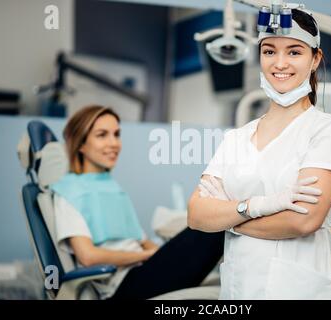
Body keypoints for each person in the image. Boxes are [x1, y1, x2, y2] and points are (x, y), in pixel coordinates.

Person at [188, 9, 331, 300]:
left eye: (294, 52)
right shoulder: (236, 138)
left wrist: (228, 218)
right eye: (269, 51)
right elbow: (197, 215)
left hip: (295, 289)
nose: (280, 63)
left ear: (315, 59)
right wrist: (259, 205)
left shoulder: (326, 129)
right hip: (239, 289)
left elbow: (303, 221)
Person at [51, 105, 224, 300]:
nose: (113, 143)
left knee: (216, 223)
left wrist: (161, 254)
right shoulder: (68, 193)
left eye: (116, 134)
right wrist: (146, 256)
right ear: (80, 144)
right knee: (215, 223)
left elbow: (141, 241)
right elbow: (88, 256)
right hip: (124, 286)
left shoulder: (113, 188)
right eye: (102, 135)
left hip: (142, 270)